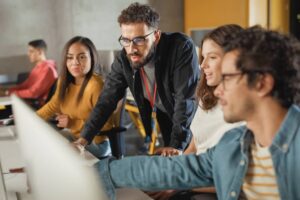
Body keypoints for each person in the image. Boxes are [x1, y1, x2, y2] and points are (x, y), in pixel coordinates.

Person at [95, 26, 300, 200]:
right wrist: (103, 171)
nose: (218, 90)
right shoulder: (234, 144)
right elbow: (178, 170)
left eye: (227, 78)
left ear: (262, 83)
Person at [76, 3, 199, 155]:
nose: (132, 48)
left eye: (139, 40)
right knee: (175, 166)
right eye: (126, 40)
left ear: (156, 36)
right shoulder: (124, 59)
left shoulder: (180, 47)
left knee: (195, 163)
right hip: (167, 114)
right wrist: (82, 140)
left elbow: (184, 101)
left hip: (195, 117)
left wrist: (177, 145)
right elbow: (106, 101)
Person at [149, 24, 244, 200]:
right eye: (202, 57)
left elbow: (237, 181)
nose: (202, 65)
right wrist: (173, 173)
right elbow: (194, 146)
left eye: (212, 57)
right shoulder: (207, 97)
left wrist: (179, 185)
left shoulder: (245, 111)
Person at [37, 36, 113, 159]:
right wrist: (31, 118)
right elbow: (53, 105)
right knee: (45, 142)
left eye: (82, 57)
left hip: (96, 144)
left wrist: (73, 123)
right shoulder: (64, 81)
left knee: (55, 153)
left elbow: (107, 124)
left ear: (92, 58)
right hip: (74, 136)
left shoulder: (96, 85)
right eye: (70, 57)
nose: (75, 62)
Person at [6, 39, 57, 106]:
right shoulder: (37, 68)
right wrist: (8, 91)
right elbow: (25, 86)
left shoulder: (48, 69)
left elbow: (34, 93)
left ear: (40, 52)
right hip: (33, 103)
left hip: (40, 106)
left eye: (31, 51)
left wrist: (9, 93)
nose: (28, 54)